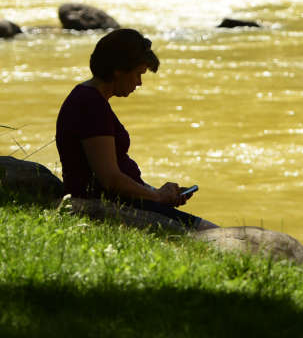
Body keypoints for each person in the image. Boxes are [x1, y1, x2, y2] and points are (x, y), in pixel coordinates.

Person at [55, 28, 216, 230]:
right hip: (111, 205)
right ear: (119, 70)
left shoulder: (89, 98)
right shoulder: (90, 105)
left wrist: (157, 193)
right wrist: (157, 196)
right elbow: (110, 179)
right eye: (138, 74)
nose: (139, 83)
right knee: (211, 232)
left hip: (126, 200)